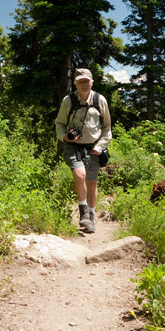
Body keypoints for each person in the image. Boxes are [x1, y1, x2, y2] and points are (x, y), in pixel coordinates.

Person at [54, 68, 112, 233]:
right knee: (80, 175)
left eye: (86, 81)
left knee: (92, 182)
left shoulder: (100, 100)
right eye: (80, 81)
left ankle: (91, 217)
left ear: (91, 82)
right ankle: (83, 211)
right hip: (72, 147)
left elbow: (107, 129)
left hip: (93, 148)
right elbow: (59, 124)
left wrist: (99, 147)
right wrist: (65, 137)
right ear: (75, 84)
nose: (84, 84)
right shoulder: (68, 101)